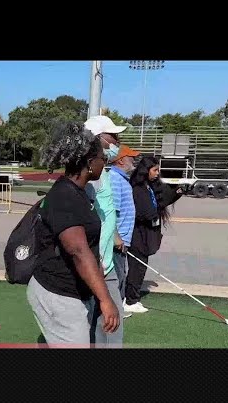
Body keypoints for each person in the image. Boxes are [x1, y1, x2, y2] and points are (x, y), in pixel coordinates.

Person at [27, 120, 120, 346]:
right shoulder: (65, 196)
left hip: (73, 291)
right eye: (103, 159)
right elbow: (78, 250)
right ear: (90, 163)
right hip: (58, 293)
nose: (105, 162)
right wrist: (106, 300)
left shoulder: (78, 192)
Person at [83, 115, 129, 346]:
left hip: (105, 263)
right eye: (113, 137)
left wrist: (114, 235)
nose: (117, 142)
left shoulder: (103, 173)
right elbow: (82, 221)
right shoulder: (91, 176)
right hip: (96, 265)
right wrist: (94, 259)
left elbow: (104, 212)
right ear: (98, 139)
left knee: (107, 324)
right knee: (106, 323)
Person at [124, 156, 183, 313]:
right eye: (155, 170)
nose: (157, 173)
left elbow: (160, 202)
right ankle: (130, 301)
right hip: (137, 234)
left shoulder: (149, 186)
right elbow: (146, 212)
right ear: (146, 170)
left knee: (140, 267)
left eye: (158, 170)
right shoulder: (138, 188)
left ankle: (131, 298)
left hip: (147, 234)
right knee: (137, 268)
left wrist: (176, 192)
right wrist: (155, 210)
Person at [108, 143, 140, 306]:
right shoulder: (114, 179)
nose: (134, 160)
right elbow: (111, 211)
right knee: (116, 277)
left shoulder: (122, 179)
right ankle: (114, 311)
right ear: (121, 160)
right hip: (117, 242)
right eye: (131, 157)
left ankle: (117, 309)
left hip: (122, 240)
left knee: (120, 275)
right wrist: (117, 237)